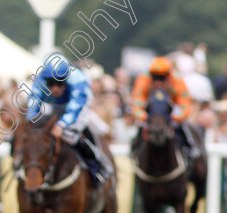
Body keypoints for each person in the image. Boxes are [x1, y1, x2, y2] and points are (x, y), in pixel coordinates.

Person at [27, 53, 113, 186]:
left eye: (59, 83)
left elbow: (74, 108)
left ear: (66, 79)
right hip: (55, 104)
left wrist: (61, 124)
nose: (55, 88)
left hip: (78, 103)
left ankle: (99, 165)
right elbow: (33, 102)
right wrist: (30, 121)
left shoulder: (78, 80)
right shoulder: (40, 80)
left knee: (70, 132)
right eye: (51, 83)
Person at [130, 56, 199, 159]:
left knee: (183, 127)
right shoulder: (143, 80)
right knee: (138, 129)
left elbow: (186, 106)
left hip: (171, 113)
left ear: (168, 75)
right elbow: (136, 106)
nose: (158, 82)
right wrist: (146, 117)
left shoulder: (177, 80)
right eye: (155, 77)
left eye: (162, 78)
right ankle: (133, 152)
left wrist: (175, 117)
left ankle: (190, 149)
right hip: (151, 115)